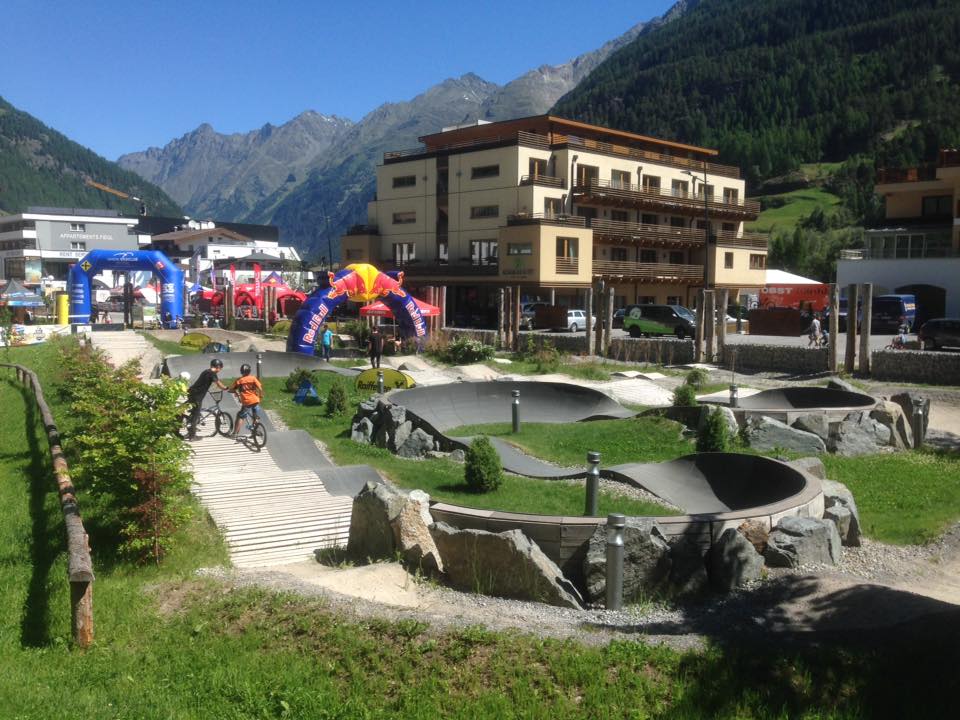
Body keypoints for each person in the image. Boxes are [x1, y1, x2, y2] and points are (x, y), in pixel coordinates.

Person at [186, 358, 228, 440]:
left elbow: (205, 383)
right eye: (220, 368)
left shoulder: (206, 371)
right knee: (196, 414)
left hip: (192, 393)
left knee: (193, 413)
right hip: (197, 396)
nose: (220, 370)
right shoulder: (212, 373)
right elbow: (218, 384)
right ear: (218, 367)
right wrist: (227, 388)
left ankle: (189, 429)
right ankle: (192, 436)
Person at [230, 363, 263, 439]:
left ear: (241, 371)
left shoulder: (239, 381)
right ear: (249, 371)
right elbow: (260, 388)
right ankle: (256, 430)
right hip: (255, 400)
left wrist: (232, 391)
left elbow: (232, 389)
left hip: (247, 402)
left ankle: (235, 434)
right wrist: (261, 395)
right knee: (255, 415)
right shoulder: (253, 378)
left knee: (240, 416)